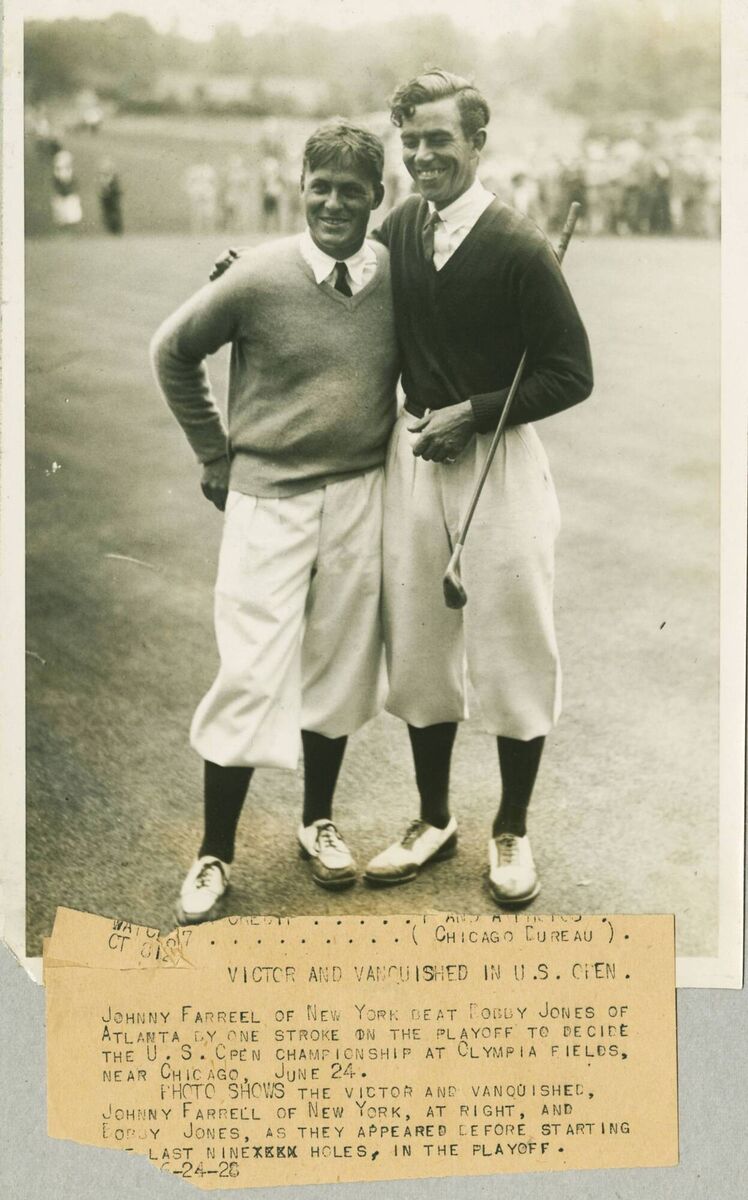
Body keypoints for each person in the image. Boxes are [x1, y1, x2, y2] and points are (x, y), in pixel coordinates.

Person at [150, 120, 399, 923]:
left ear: (376, 199)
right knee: (253, 670)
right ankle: (213, 852)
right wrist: (213, 453)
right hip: (267, 497)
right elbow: (172, 351)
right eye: (319, 187)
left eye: (351, 190)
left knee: (337, 665)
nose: (333, 202)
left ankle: (316, 822)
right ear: (300, 188)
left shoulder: (396, 275)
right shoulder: (256, 274)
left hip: (360, 493)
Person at [361, 69, 593, 904]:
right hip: (416, 457)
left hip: (500, 463)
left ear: (476, 144)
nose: (423, 156)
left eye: (439, 141)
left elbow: (572, 374)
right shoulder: (398, 226)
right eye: (411, 141)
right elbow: (343, 278)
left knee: (515, 649)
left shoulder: (521, 247)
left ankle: (512, 830)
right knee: (422, 646)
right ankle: (433, 818)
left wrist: (477, 410)